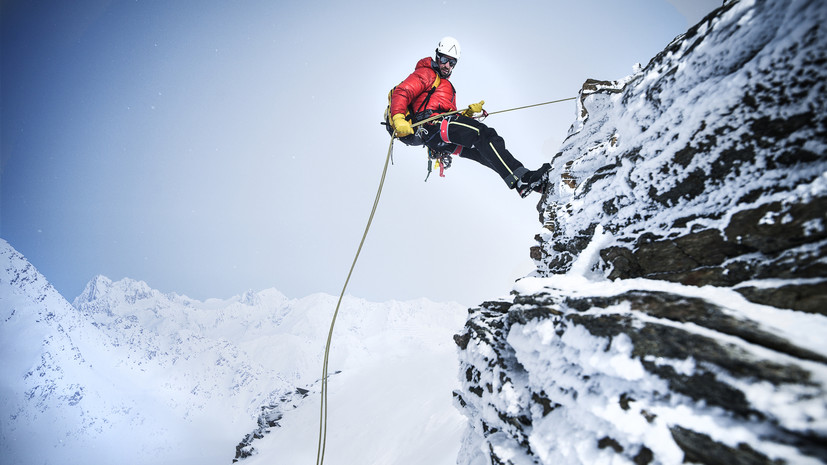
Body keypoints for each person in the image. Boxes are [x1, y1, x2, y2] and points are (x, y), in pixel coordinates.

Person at [387, 36, 550, 197]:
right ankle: (522, 179)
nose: (447, 65)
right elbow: (403, 91)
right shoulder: (426, 73)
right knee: (484, 134)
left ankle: (527, 183)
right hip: (432, 125)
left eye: (452, 62)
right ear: (437, 56)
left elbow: (449, 115)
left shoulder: (445, 86)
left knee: (483, 152)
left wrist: (468, 114)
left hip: (438, 136)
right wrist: (398, 117)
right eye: (444, 59)